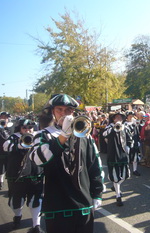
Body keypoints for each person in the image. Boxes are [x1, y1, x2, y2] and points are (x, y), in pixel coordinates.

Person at [29, 94, 103, 233]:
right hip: (57, 205)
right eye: (59, 110)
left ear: (73, 112)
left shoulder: (84, 134)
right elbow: (38, 159)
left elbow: (94, 165)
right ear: (53, 112)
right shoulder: (43, 135)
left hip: (83, 203)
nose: (64, 113)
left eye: (68, 110)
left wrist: (97, 192)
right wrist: (63, 136)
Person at [3, 118, 44, 233]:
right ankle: (18, 215)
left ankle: (36, 225)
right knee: (16, 202)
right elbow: (6, 146)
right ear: (20, 128)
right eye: (24, 128)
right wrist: (20, 145)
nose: (27, 130)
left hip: (35, 173)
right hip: (17, 175)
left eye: (30, 127)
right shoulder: (14, 137)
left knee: (36, 200)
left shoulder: (38, 136)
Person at [103, 112, 130, 206]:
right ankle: (118, 195)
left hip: (123, 153)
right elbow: (104, 135)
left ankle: (116, 186)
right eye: (116, 118)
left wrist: (129, 146)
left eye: (120, 118)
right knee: (115, 176)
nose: (118, 119)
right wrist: (114, 128)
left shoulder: (125, 127)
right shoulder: (109, 127)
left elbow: (129, 138)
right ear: (113, 119)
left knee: (125, 175)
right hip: (113, 153)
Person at [124, 111, 141, 176]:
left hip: (135, 141)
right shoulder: (124, 124)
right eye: (129, 116)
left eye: (132, 115)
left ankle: (135, 170)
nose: (131, 117)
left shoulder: (134, 123)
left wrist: (138, 140)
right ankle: (126, 170)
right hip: (127, 142)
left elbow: (137, 132)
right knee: (127, 157)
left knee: (135, 156)